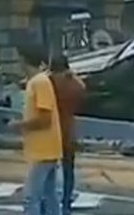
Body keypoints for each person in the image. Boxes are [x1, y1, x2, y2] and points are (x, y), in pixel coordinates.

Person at [8, 45, 62, 215]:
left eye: (19, 59)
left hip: (43, 151)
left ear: (24, 60)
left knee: (31, 196)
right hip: (45, 149)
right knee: (49, 195)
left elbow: (45, 119)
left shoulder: (40, 82)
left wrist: (19, 125)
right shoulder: (38, 82)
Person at [49, 54, 86, 215]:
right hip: (68, 130)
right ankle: (66, 202)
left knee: (48, 169)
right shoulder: (73, 84)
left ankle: (50, 201)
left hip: (50, 129)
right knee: (68, 169)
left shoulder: (49, 83)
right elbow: (82, 87)